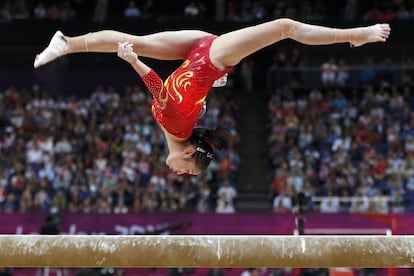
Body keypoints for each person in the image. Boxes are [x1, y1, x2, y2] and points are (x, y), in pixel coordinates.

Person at [33, 18, 391, 175]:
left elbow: (180, 96)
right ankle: (354, 34)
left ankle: (68, 43)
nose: (181, 174)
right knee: (285, 27)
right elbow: (158, 88)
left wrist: (207, 88)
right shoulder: (176, 127)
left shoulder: (179, 129)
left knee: (137, 39)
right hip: (212, 55)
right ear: (189, 152)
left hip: (197, 51)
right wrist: (134, 62)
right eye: (188, 172)